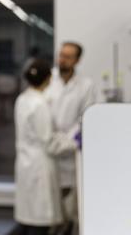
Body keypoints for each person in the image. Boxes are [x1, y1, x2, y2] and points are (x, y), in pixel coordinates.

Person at [44, 41, 100, 235]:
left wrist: (67, 141)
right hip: (48, 146)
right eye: (61, 55)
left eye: (68, 57)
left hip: (69, 150)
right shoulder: (48, 80)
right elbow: (41, 113)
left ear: (77, 60)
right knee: (48, 205)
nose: (62, 60)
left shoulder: (86, 85)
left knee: (70, 205)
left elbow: (85, 117)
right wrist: (52, 138)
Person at [13, 59, 65, 235]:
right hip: (39, 166)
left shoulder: (22, 99)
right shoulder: (40, 104)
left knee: (28, 219)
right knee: (39, 221)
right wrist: (73, 141)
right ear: (48, 78)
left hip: (26, 162)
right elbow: (49, 143)